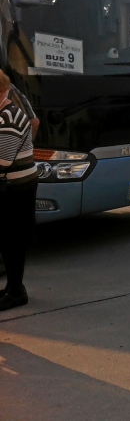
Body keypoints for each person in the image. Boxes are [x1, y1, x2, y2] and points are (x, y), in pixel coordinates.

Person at [0, 68, 38, 311]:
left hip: (17, 187)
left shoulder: (9, 118)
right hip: (12, 185)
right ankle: (12, 287)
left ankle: (16, 291)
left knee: (13, 239)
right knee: (7, 238)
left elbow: (2, 161)